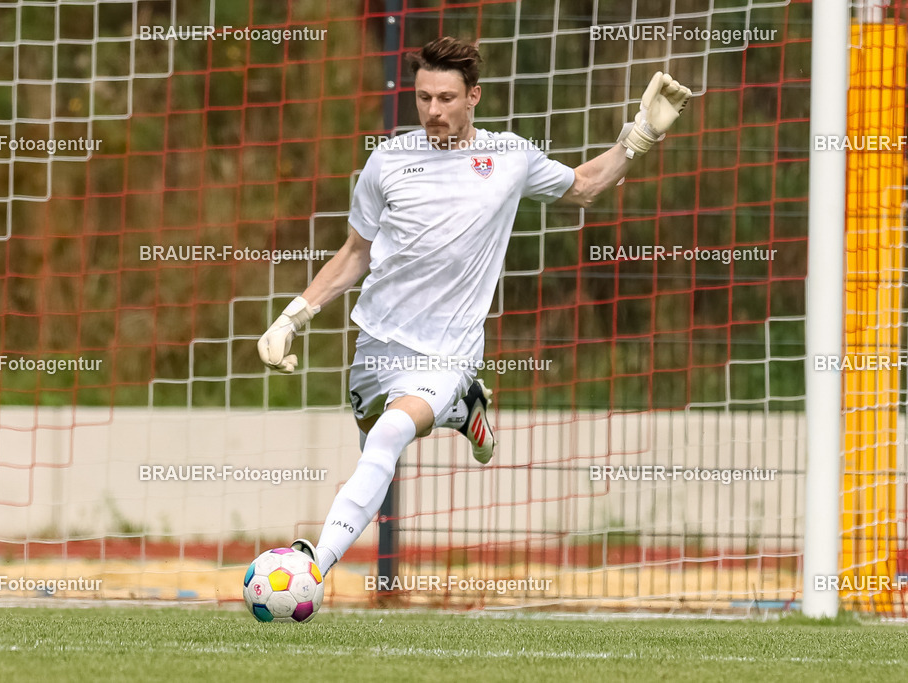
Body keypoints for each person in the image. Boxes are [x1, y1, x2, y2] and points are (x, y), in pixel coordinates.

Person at [257, 36, 691, 576]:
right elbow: (355, 253)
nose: (433, 111)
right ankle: (465, 410)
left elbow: (584, 187)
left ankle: (313, 568)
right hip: (378, 341)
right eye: (423, 98)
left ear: (473, 97)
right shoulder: (388, 160)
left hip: (449, 351)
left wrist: (641, 134)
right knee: (372, 431)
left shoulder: (509, 157)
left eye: (446, 98)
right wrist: (292, 317)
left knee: (389, 434)